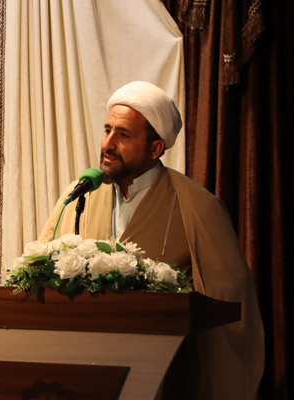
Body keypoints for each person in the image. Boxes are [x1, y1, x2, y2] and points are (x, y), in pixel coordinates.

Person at [38, 81, 264, 400]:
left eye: (123, 135)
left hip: (165, 381)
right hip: (83, 376)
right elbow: (41, 274)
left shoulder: (198, 207)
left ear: (155, 148)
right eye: (107, 130)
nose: (108, 144)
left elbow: (229, 309)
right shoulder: (80, 196)